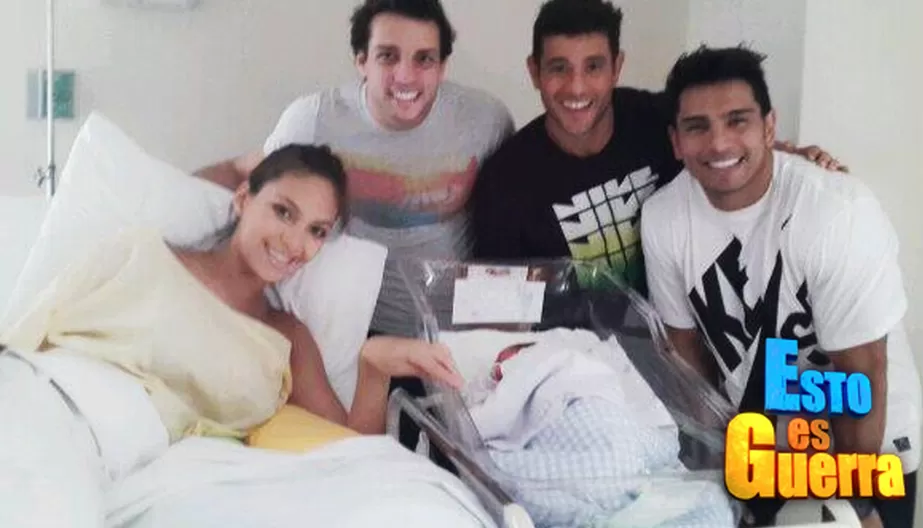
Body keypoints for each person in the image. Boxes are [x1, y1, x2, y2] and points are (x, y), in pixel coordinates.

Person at [0, 144, 464, 527]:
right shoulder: (142, 254)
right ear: (243, 199)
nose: (294, 243)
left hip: (145, 466)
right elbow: (27, 335)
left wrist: (373, 367)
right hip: (46, 400)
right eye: (283, 211)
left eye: (316, 231)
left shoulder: (286, 338)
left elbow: (352, 456)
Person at [640, 45, 921, 528]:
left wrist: (856, 505)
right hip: (761, 438)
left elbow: (862, 376)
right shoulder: (663, 216)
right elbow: (687, 354)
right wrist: (717, 468)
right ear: (676, 141)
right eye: (697, 127)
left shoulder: (836, 213)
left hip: (867, 441)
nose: (719, 143)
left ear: (769, 127)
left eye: (737, 121)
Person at [470, 0, 844, 297]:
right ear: (534, 71)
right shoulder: (505, 180)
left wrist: (786, 156)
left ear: (617, 67)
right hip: (572, 357)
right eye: (558, 68)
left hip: (696, 327)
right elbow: (499, 311)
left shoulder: (657, 118)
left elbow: (726, 146)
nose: (577, 87)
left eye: (594, 67)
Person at [194, 0, 515, 339]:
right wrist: (165, 217)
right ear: (361, 61)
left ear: (443, 66)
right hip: (354, 326)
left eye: (424, 59)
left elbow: (511, 210)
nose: (406, 76)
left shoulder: (484, 120)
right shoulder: (315, 119)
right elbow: (241, 172)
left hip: (460, 327)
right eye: (387, 56)